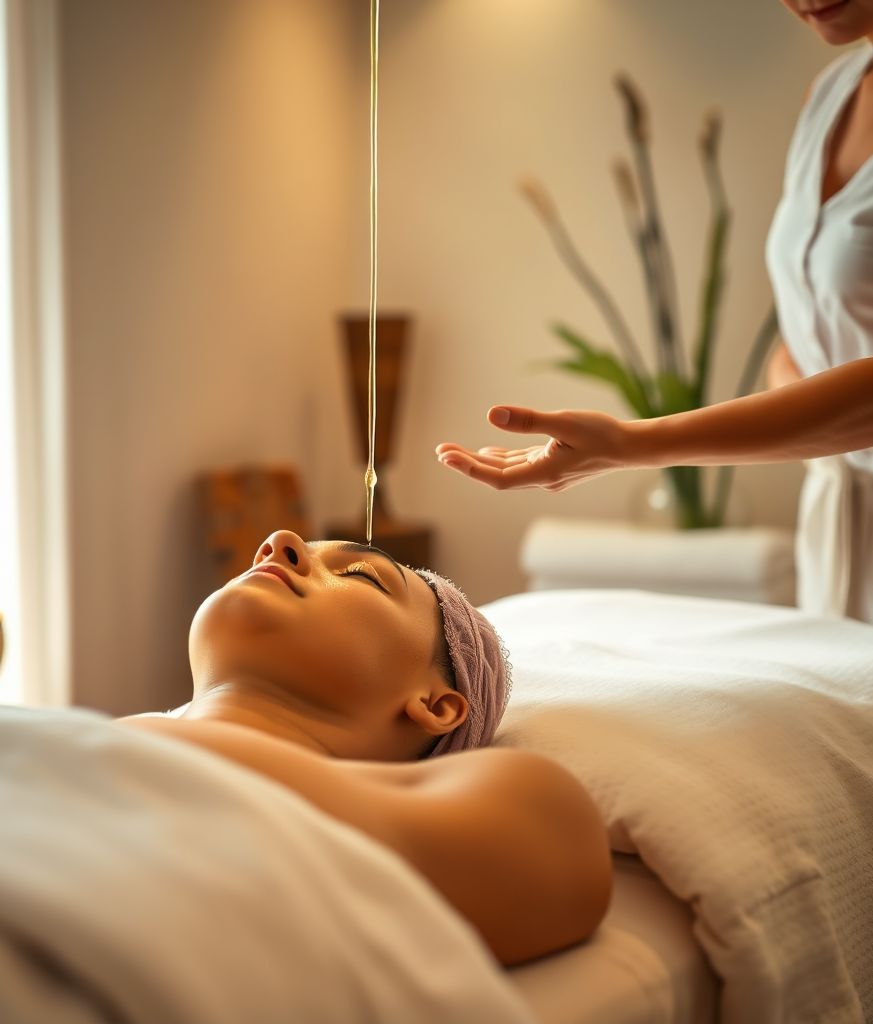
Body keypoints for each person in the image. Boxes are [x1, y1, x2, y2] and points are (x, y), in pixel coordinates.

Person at [440, 0, 873, 623]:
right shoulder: (830, 95)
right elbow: (807, 336)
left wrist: (624, 444)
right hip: (836, 520)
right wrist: (813, 416)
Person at [120, 530, 611, 967]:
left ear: (435, 705)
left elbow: (557, 861)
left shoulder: (526, 801)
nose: (278, 541)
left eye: (360, 574)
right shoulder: (102, 738)